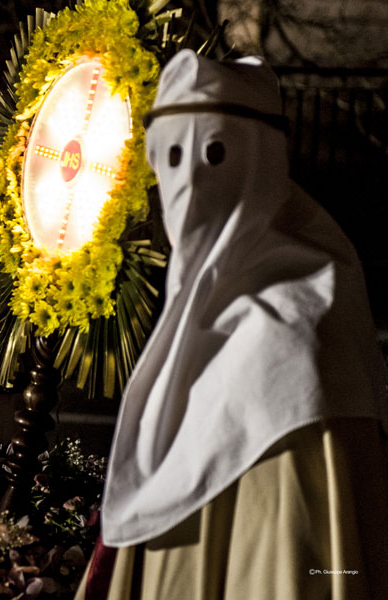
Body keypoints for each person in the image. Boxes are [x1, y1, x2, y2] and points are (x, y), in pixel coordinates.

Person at [77, 50, 388, 599]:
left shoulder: (301, 321)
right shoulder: (199, 302)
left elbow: (303, 564)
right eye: (171, 156)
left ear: (260, 160)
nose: (190, 185)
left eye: (215, 153)